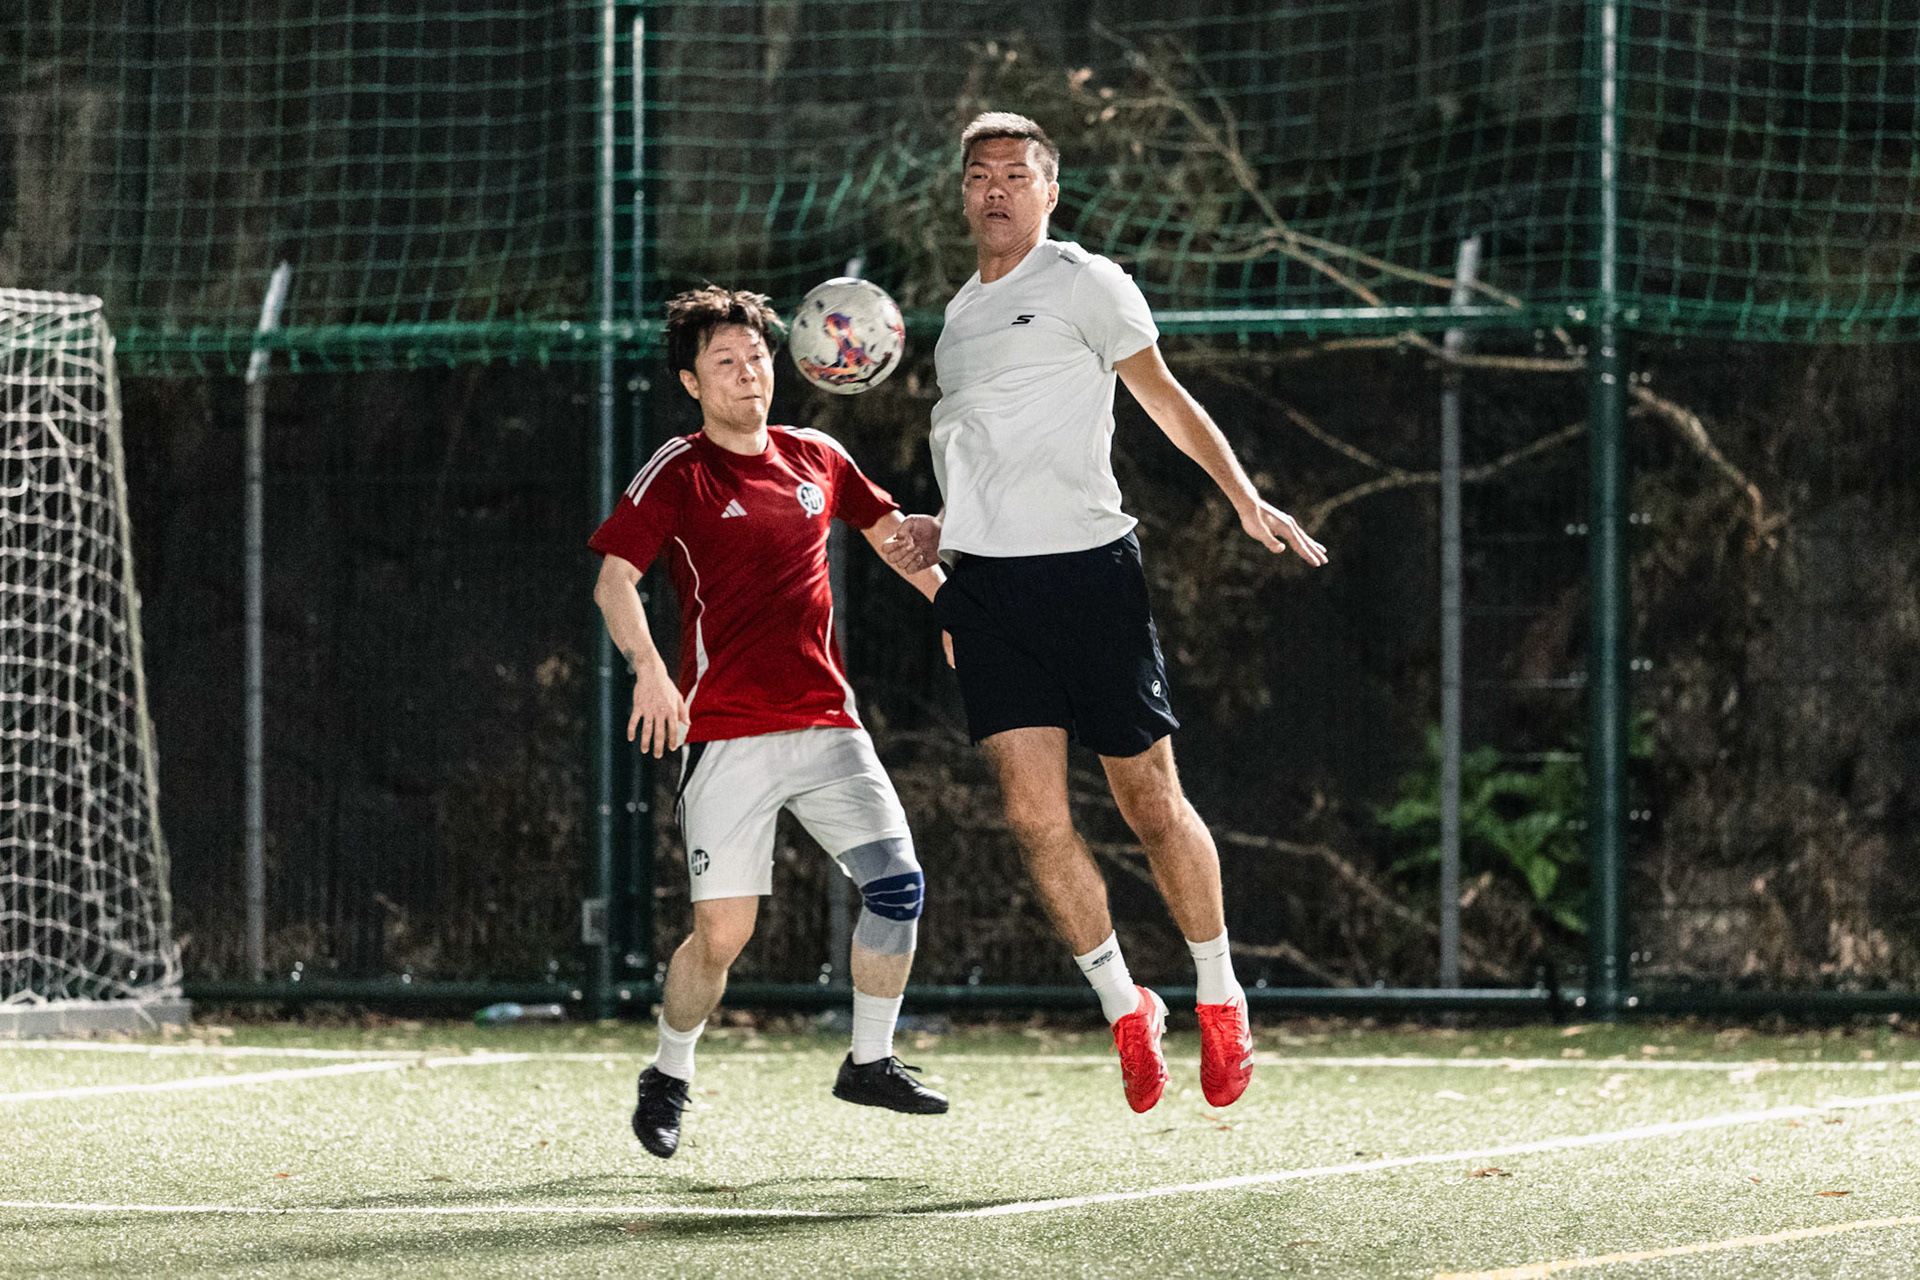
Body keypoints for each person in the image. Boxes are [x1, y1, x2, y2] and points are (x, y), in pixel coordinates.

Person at [882, 112, 1330, 1114]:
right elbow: (992, 462)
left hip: (1090, 575)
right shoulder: (956, 322)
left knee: (1146, 801)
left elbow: (1165, 398)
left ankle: (1219, 992)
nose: (996, 189)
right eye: (980, 176)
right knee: (1036, 819)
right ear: (964, 197)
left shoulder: (1086, 281)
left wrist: (1245, 498)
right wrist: (937, 534)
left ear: (1050, 192)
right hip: (988, 591)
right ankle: (1126, 1005)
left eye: (1016, 174)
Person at [591, 285, 950, 1159]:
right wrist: (649, 669)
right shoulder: (678, 472)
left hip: (829, 726)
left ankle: (870, 1059)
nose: (748, 372)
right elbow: (613, 580)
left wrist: (958, 610)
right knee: (723, 936)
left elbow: (893, 537)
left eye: (756, 357)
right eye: (726, 362)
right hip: (730, 735)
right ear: (692, 381)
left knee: (898, 888)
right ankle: (670, 1072)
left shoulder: (817, 456)